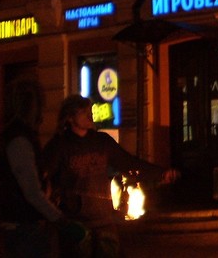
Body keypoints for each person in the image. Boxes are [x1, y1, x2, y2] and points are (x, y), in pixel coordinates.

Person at [41, 95, 179, 257]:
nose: (89, 114)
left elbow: (128, 163)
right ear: (70, 118)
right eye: (83, 111)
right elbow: (43, 177)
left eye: (90, 110)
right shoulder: (59, 146)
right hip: (75, 225)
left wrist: (160, 173)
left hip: (103, 222)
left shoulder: (102, 141)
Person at [0, 79, 85, 258]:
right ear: (29, 106)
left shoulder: (18, 137)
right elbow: (31, 191)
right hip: (24, 228)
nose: (42, 110)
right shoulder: (19, 140)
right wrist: (61, 220)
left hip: (23, 226)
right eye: (39, 104)